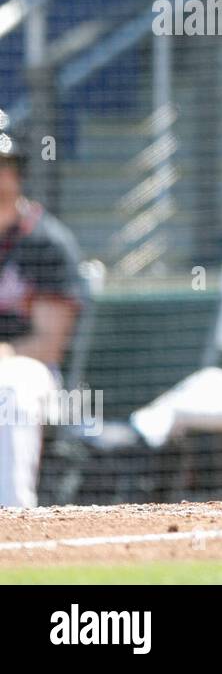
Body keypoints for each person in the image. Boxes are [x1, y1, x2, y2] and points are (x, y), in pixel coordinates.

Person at [0, 119, 84, 508]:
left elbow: (49, 345)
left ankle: (12, 521)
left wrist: (6, 353)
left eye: (2, 164)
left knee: (10, 389)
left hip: (30, 371)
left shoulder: (46, 242)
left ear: (17, 171)